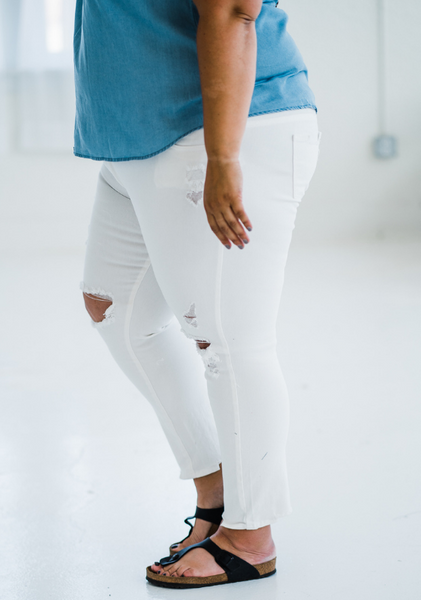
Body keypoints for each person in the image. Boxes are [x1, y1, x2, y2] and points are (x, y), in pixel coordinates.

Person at [73, 0, 320, 589]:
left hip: (219, 130)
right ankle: (217, 490)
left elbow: (234, 10)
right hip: (138, 135)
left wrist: (223, 156)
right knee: (115, 307)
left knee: (230, 342)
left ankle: (250, 534)